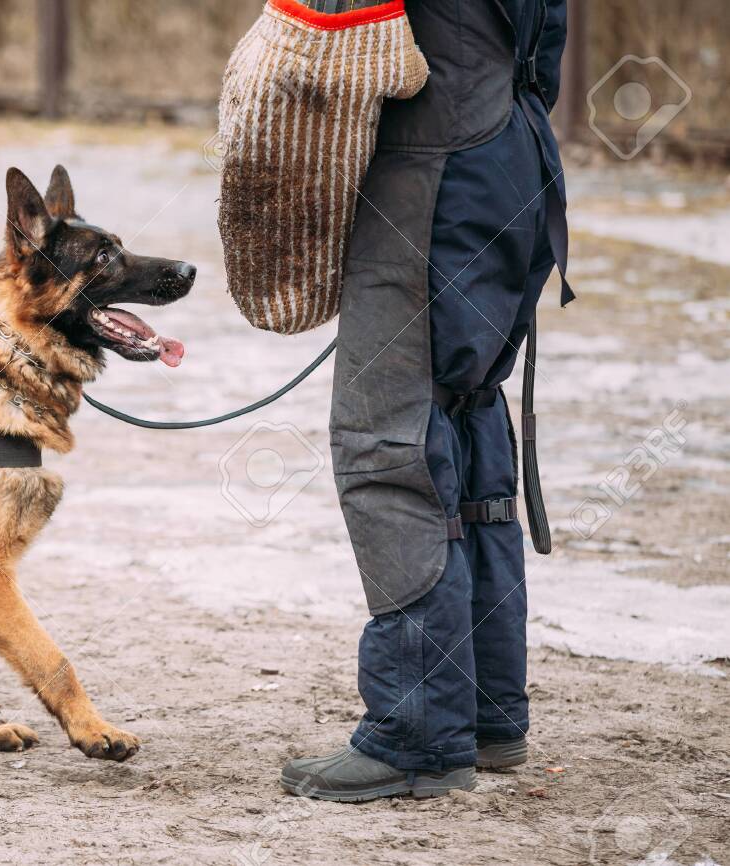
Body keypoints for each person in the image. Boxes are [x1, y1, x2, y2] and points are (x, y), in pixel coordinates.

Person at [277, 0, 573, 801]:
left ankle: (417, 732)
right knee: (466, 407)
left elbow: (324, 38)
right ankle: (482, 716)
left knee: (389, 438)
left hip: (431, 171)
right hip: (517, 154)